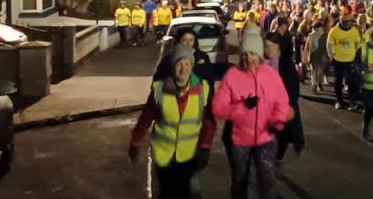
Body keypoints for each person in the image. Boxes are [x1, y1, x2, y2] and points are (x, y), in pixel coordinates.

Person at [129, 45, 216, 199]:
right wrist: (136, 141)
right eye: (179, 64)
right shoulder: (160, 89)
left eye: (187, 64)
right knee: (167, 193)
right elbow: (146, 117)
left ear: (192, 66)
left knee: (185, 193)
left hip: (189, 155)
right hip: (164, 154)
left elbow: (208, 121)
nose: (183, 69)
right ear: (172, 66)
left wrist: (205, 146)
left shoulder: (202, 89)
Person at [213, 33, 291, 199]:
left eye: (253, 54)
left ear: (260, 54)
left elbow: (283, 101)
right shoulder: (232, 75)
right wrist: (241, 107)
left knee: (268, 182)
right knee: (241, 182)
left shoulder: (270, 74)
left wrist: (278, 120)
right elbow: (218, 109)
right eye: (245, 54)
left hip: (266, 138)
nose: (249, 58)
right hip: (240, 142)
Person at [264, 32, 305, 162]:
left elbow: (293, 88)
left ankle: (278, 155)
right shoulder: (263, 62)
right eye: (266, 46)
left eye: (272, 46)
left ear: (279, 47)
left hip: (282, 106)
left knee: (283, 133)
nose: (268, 49)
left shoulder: (286, 64)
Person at [327, 11, 362, 110]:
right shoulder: (334, 30)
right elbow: (329, 44)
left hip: (350, 60)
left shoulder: (354, 30)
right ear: (342, 22)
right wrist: (331, 56)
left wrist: (356, 55)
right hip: (338, 60)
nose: (348, 24)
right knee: (338, 81)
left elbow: (357, 44)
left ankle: (352, 101)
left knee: (351, 82)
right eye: (347, 22)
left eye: (350, 22)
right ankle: (339, 101)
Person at [303, 21, 328, 93]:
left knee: (320, 71)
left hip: (322, 56)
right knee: (314, 71)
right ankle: (314, 85)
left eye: (318, 28)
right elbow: (307, 47)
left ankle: (319, 83)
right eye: (315, 29)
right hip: (313, 55)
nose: (316, 30)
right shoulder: (311, 36)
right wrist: (305, 57)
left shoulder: (325, 35)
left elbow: (328, 46)